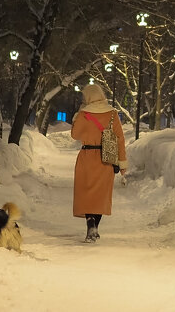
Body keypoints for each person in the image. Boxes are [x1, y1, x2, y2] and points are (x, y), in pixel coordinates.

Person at [71, 83, 127, 242]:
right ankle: (95, 226)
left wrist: (77, 117)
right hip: (106, 159)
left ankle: (90, 222)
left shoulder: (83, 114)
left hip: (87, 156)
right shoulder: (112, 114)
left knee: (86, 192)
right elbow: (120, 139)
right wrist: (122, 164)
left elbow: (75, 135)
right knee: (100, 194)